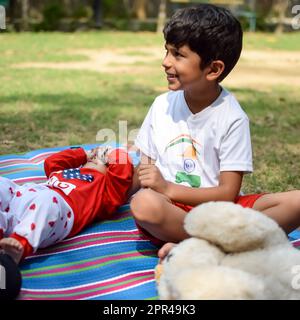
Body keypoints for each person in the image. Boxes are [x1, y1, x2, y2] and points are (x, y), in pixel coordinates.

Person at [129, 4, 300, 248]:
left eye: (178, 54)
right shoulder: (161, 105)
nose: (165, 62)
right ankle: (226, 244)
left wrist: (168, 187)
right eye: (166, 51)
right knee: (144, 204)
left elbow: (228, 194)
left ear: (213, 69)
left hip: (218, 210)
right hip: (171, 211)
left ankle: (200, 246)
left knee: (296, 202)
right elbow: (145, 171)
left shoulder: (232, 117)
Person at [0, 146, 133, 264]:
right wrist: (84, 154)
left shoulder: (105, 193)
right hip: (23, 197)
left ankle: (19, 244)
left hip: (55, 213)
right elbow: (51, 162)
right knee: (3, 184)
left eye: (104, 161)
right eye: (94, 156)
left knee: (47, 200)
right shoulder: (65, 172)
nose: (96, 158)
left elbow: (122, 171)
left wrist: (112, 152)